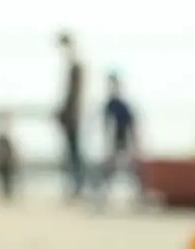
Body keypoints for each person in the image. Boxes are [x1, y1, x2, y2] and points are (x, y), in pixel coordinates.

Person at [93, 72, 144, 207]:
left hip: (124, 142)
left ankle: (139, 196)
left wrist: (135, 144)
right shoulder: (110, 105)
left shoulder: (122, 105)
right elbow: (106, 126)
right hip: (115, 143)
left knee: (130, 171)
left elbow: (131, 125)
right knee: (110, 171)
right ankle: (102, 196)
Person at [55, 31, 86, 201]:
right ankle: (76, 186)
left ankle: (78, 186)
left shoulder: (76, 67)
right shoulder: (74, 66)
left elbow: (74, 95)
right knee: (72, 153)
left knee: (74, 153)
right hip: (71, 116)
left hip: (73, 118)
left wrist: (69, 114)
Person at [0, 111, 19, 202]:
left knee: (7, 179)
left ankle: (6, 194)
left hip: (5, 162)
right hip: (2, 162)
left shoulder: (4, 139)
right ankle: (5, 194)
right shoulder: (1, 139)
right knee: (5, 179)